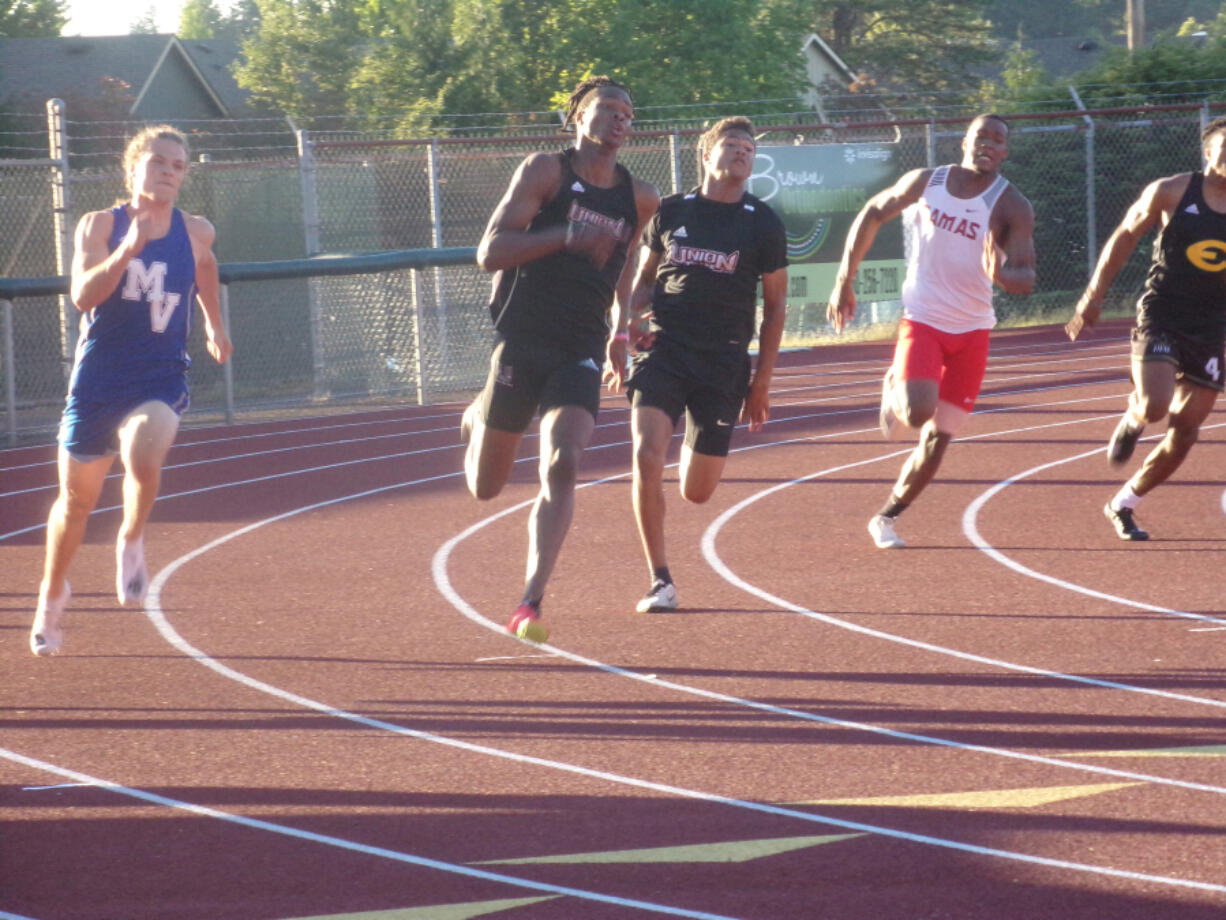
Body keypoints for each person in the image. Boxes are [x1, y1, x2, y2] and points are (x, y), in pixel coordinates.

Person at [464, 76, 659, 641]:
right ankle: (479, 414)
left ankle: (531, 600)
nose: (620, 117)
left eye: (628, 110)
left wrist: (622, 329)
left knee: (563, 464)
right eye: (608, 107)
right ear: (579, 116)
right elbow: (489, 252)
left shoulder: (639, 196)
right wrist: (566, 235)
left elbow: (624, 264)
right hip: (523, 338)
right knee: (485, 487)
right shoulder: (546, 171)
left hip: (580, 345)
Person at [30, 125, 233, 656]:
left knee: (147, 442)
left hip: (159, 376)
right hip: (98, 382)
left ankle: (132, 535)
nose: (169, 171)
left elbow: (207, 270)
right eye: (159, 161)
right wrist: (127, 249)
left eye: (179, 165)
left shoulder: (196, 231)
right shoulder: (100, 224)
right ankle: (54, 592)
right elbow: (81, 295)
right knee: (76, 502)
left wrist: (214, 324)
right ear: (135, 167)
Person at [827, 113, 1036, 548]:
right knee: (917, 413)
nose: (989, 144)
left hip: (973, 329)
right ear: (965, 141)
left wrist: (998, 271)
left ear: (1005, 152)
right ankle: (895, 383)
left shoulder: (1012, 204)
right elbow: (872, 212)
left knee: (939, 438)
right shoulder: (928, 181)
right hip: (923, 316)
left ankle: (886, 517)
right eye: (982, 136)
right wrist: (844, 279)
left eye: (998, 140)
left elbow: (1025, 278)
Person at [622, 117, 787, 612]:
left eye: (749, 148)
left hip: (724, 363)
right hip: (665, 351)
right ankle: (660, 579)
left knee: (697, 492)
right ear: (708, 154)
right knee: (646, 457)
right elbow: (644, 277)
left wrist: (761, 383)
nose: (742, 153)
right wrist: (630, 317)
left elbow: (776, 306)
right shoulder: (672, 210)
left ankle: (692, 443)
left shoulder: (762, 221)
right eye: (732, 145)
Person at [1067, 116, 1226, 541]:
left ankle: (1124, 503)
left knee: (1186, 431)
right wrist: (1094, 296)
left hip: (1212, 328)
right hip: (1162, 315)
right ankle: (1134, 415)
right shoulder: (1171, 191)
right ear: (1208, 153)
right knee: (1156, 405)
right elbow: (1124, 235)